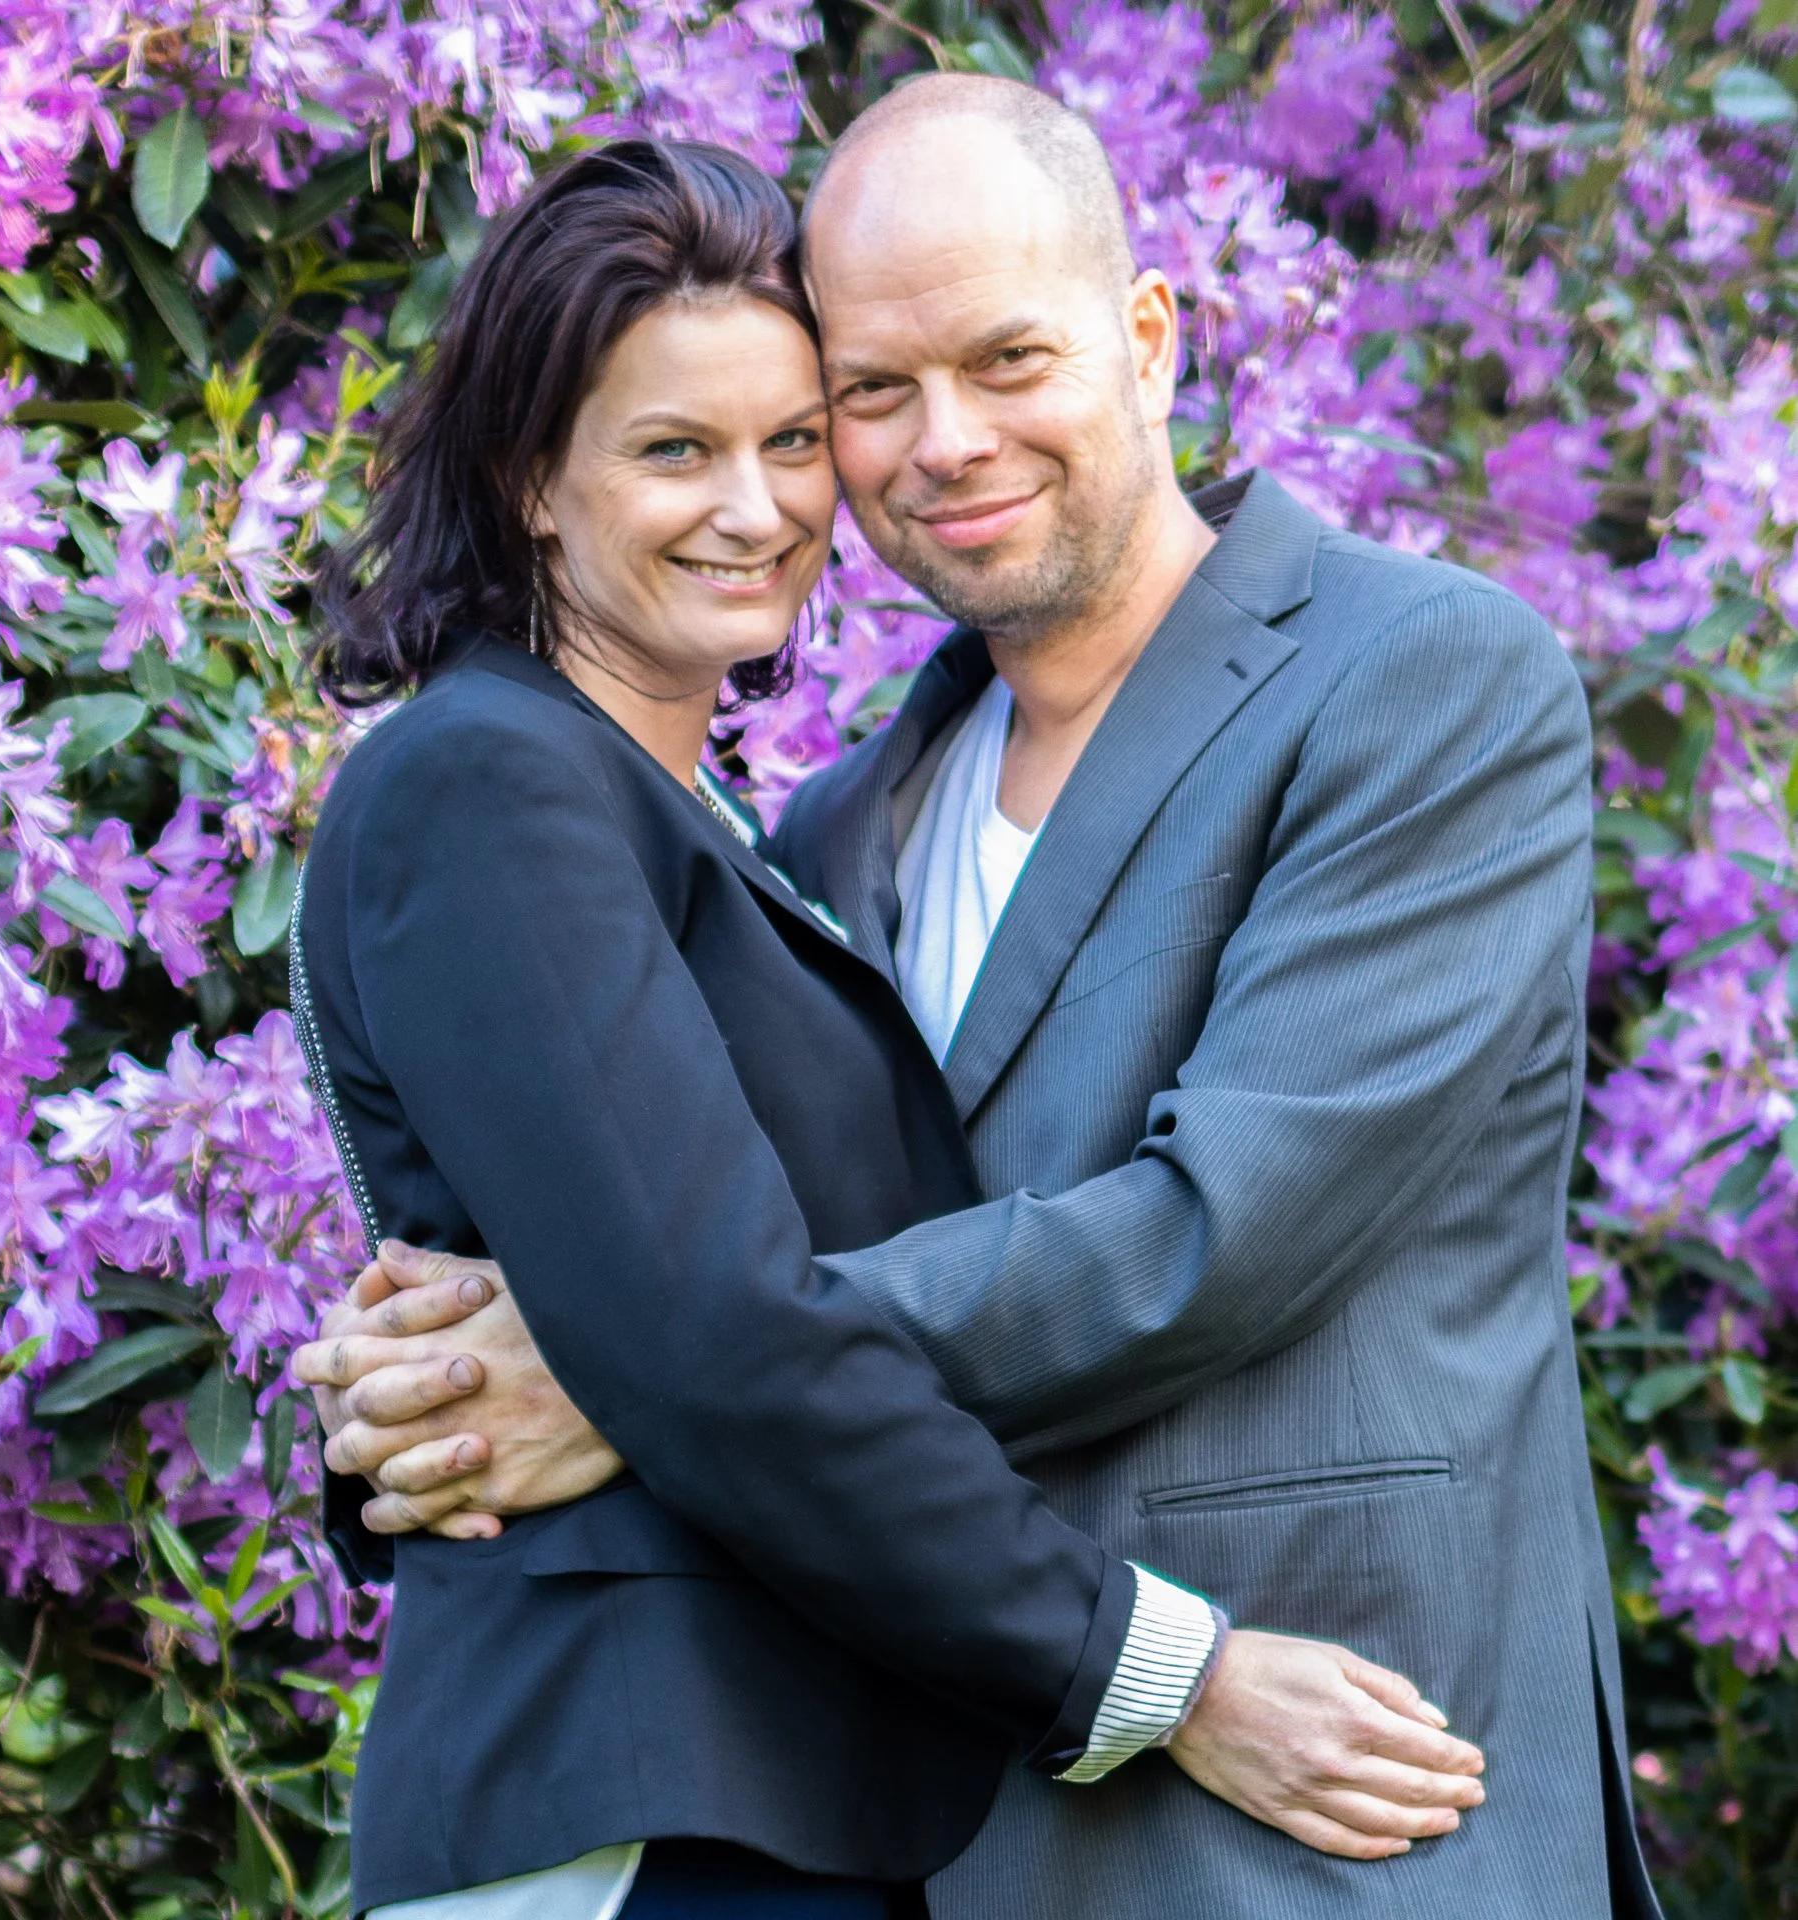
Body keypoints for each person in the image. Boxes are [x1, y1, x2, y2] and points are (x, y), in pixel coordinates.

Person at [292, 136, 1485, 1920]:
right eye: (674, 450)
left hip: (773, 1805)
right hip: (642, 1813)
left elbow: (684, 1315)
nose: (757, 507)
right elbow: (715, 1337)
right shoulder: (493, 780)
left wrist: (558, 1373)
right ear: (532, 479)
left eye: (791, 441)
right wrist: (1170, 1681)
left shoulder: (722, 827)